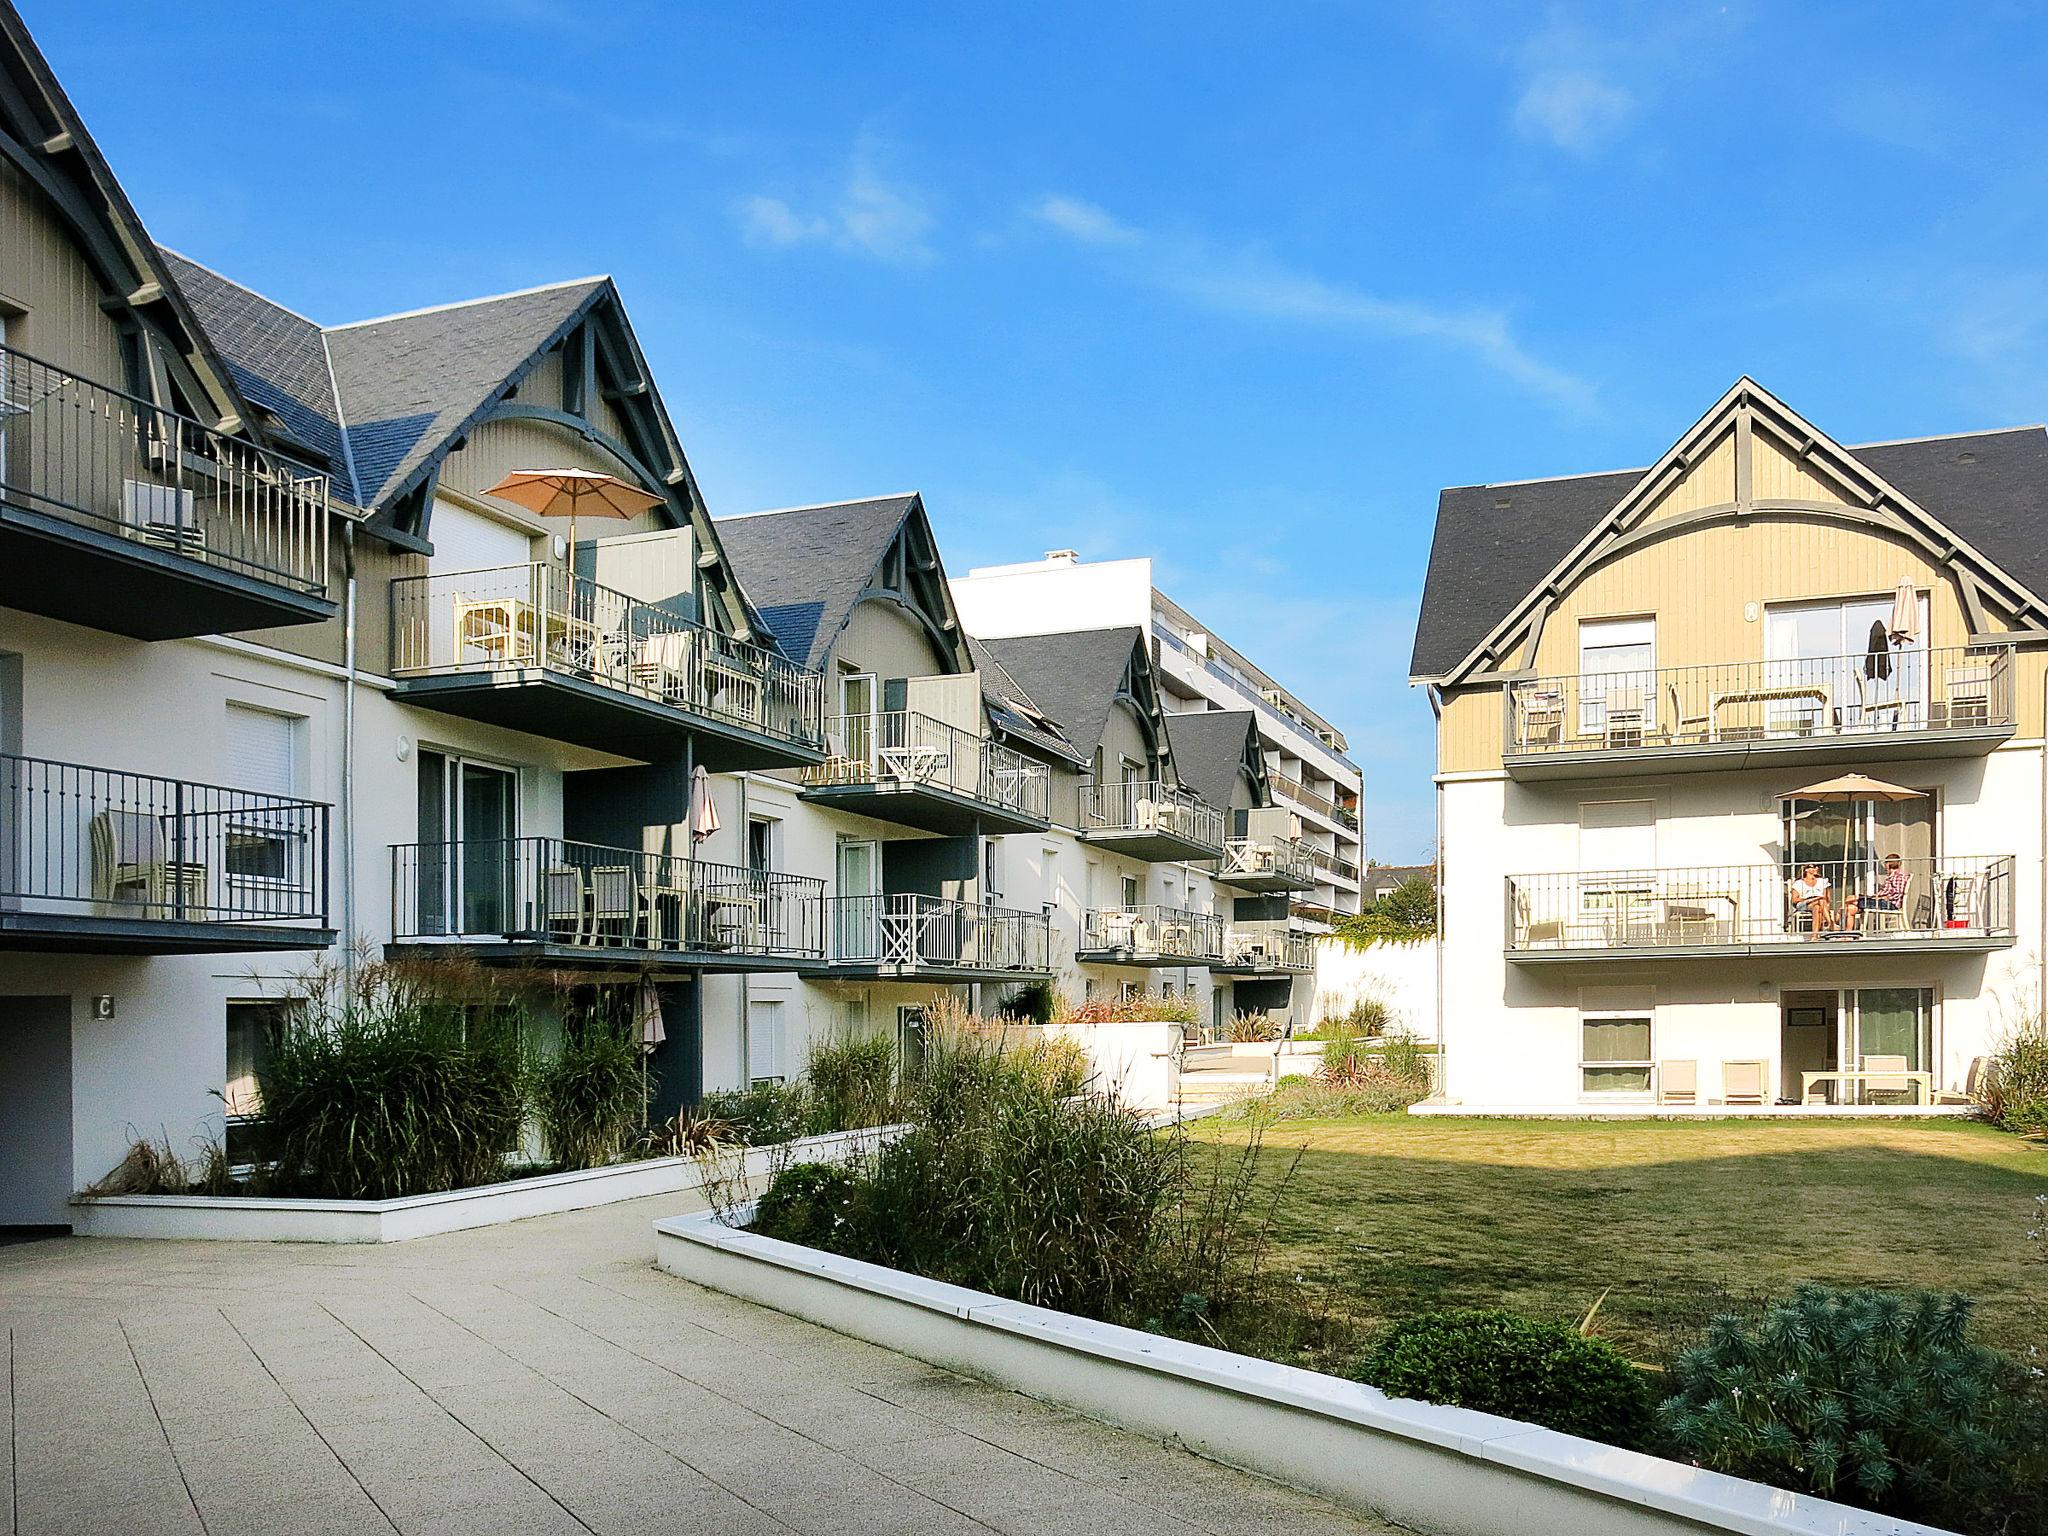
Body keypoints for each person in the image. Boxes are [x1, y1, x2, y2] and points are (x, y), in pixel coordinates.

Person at [1846, 852, 1909, 928]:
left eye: (1886, 863)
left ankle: (1835, 925)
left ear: (1889, 864)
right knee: (1850, 908)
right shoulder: (1892, 877)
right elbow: (1886, 891)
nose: (1885, 866)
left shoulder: (1898, 877)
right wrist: (1875, 895)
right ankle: (1846, 933)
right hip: (1882, 901)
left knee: (1850, 899)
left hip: (1889, 904)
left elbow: (1898, 893)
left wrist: (1885, 897)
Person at [1789, 863, 1836, 933]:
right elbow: (1794, 900)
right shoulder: (1798, 883)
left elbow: (1827, 897)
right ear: (1806, 870)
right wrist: (1811, 899)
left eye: (1817, 867)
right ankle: (1830, 923)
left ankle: (1815, 935)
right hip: (1804, 903)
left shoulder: (1822, 881)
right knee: (1820, 901)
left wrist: (1819, 900)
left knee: (1817, 907)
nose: (1816, 868)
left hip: (1821, 903)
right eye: (1814, 867)